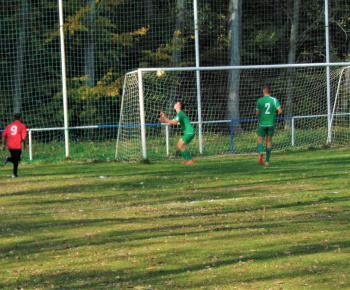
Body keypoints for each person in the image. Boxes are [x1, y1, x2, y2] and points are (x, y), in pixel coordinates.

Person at [256, 85, 282, 166]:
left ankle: (260, 152)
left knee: (260, 140)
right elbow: (280, 111)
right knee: (269, 140)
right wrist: (275, 114)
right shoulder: (274, 100)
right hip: (271, 124)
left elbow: (257, 113)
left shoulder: (259, 100)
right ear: (269, 91)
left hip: (262, 124)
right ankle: (267, 161)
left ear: (263, 91)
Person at [2, 113, 27, 178]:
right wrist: (25, 144)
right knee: (17, 160)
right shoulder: (22, 126)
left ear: (14, 118)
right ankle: (14, 173)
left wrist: (4, 145)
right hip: (17, 145)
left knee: (15, 160)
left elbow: (3, 135)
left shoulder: (9, 126)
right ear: (20, 118)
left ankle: (14, 174)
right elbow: (24, 137)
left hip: (10, 145)